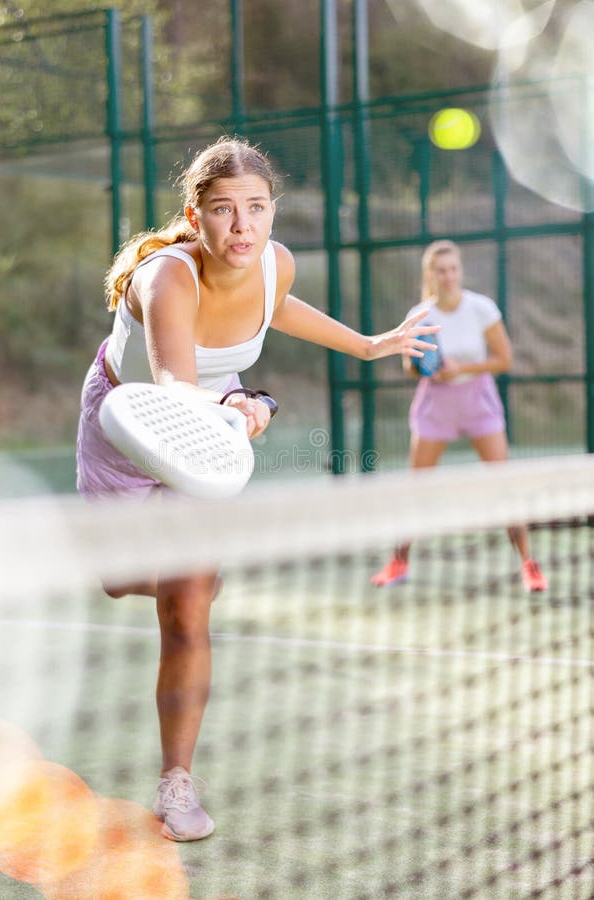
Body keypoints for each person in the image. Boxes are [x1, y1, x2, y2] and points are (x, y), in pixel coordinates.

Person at [76, 136, 439, 842]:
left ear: (272, 212)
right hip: (126, 420)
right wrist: (247, 409)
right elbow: (177, 379)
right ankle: (178, 569)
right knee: (119, 580)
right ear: (196, 214)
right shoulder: (165, 278)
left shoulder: (275, 262)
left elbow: (276, 307)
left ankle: (175, 783)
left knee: (187, 611)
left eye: (255, 209)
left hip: (211, 429)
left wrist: (369, 344)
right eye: (222, 211)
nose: (241, 227)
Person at [371, 239, 548, 594]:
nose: (448, 276)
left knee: (504, 485)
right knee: (416, 488)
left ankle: (529, 565)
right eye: (441, 270)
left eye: (453, 269)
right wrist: (428, 369)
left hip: (478, 401)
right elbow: (410, 366)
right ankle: (399, 562)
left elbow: (503, 359)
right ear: (430, 275)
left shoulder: (481, 308)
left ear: (460, 271)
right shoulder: (419, 314)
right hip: (436, 405)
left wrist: (461, 368)